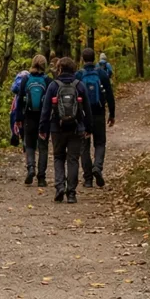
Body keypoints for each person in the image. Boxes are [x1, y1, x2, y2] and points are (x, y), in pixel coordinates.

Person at [39, 56, 88, 204]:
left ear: (59, 69)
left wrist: (43, 128)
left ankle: (60, 186)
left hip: (57, 128)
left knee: (59, 157)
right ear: (73, 69)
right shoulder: (80, 85)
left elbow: (46, 109)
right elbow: (88, 110)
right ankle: (71, 193)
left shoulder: (53, 86)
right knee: (73, 159)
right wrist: (88, 127)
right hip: (76, 128)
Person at [76, 47, 116, 189]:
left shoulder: (79, 75)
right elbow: (110, 95)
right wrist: (112, 114)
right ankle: (97, 167)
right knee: (99, 143)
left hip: (83, 116)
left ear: (82, 59)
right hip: (99, 113)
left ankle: (87, 179)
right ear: (94, 59)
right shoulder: (102, 74)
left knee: (84, 147)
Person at [15, 55, 51, 186]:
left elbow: (20, 99)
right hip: (44, 118)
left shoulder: (26, 79)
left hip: (28, 117)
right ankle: (41, 177)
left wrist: (18, 118)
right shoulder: (47, 80)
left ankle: (31, 168)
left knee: (29, 145)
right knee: (43, 147)